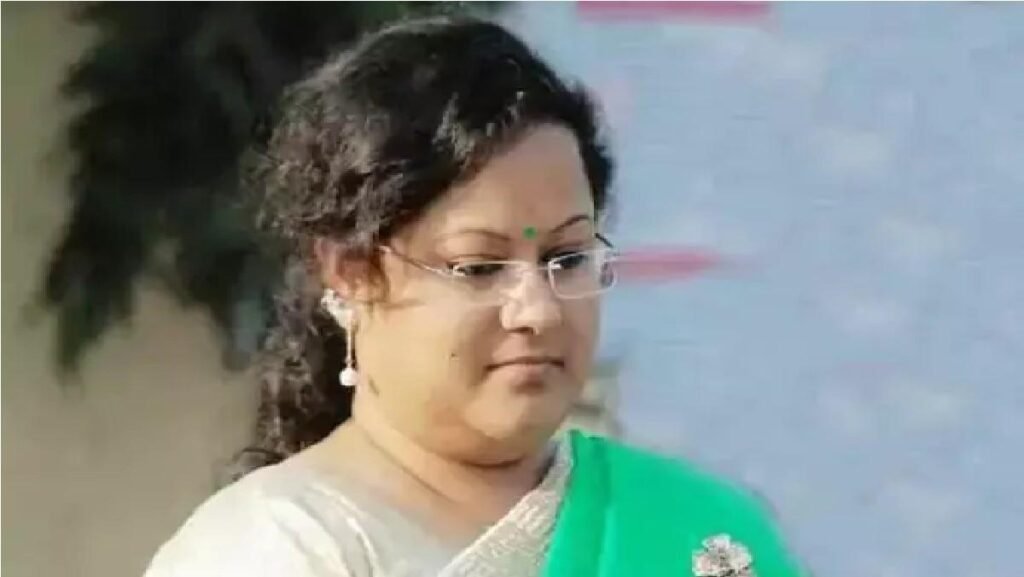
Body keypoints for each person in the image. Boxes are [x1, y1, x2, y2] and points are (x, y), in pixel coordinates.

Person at [144, 15, 804, 577]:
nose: (538, 310)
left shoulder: (704, 535)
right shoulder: (281, 548)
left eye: (567, 259)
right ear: (351, 273)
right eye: (479, 266)